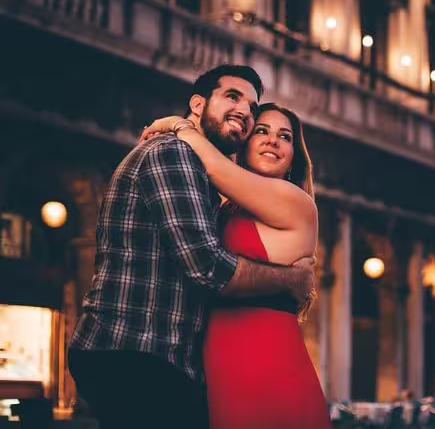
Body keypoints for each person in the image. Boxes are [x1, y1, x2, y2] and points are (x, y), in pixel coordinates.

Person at [68, 65, 316, 429]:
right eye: (233, 97)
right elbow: (207, 267)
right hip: (138, 349)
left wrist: (182, 125)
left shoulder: (256, 188)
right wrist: (290, 280)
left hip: (193, 354)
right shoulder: (176, 154)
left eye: (251, 109)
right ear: (198, 104)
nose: (245, 114)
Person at [141, 102, 331, 428]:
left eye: (284, 137)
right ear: (244, 145)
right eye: (262, 131)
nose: (273, 140)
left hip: (265, 361)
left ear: (293, 158)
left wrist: (179, 124)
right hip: (219, 359)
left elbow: (216, 168)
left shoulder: (295, 201)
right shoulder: (227, 207)